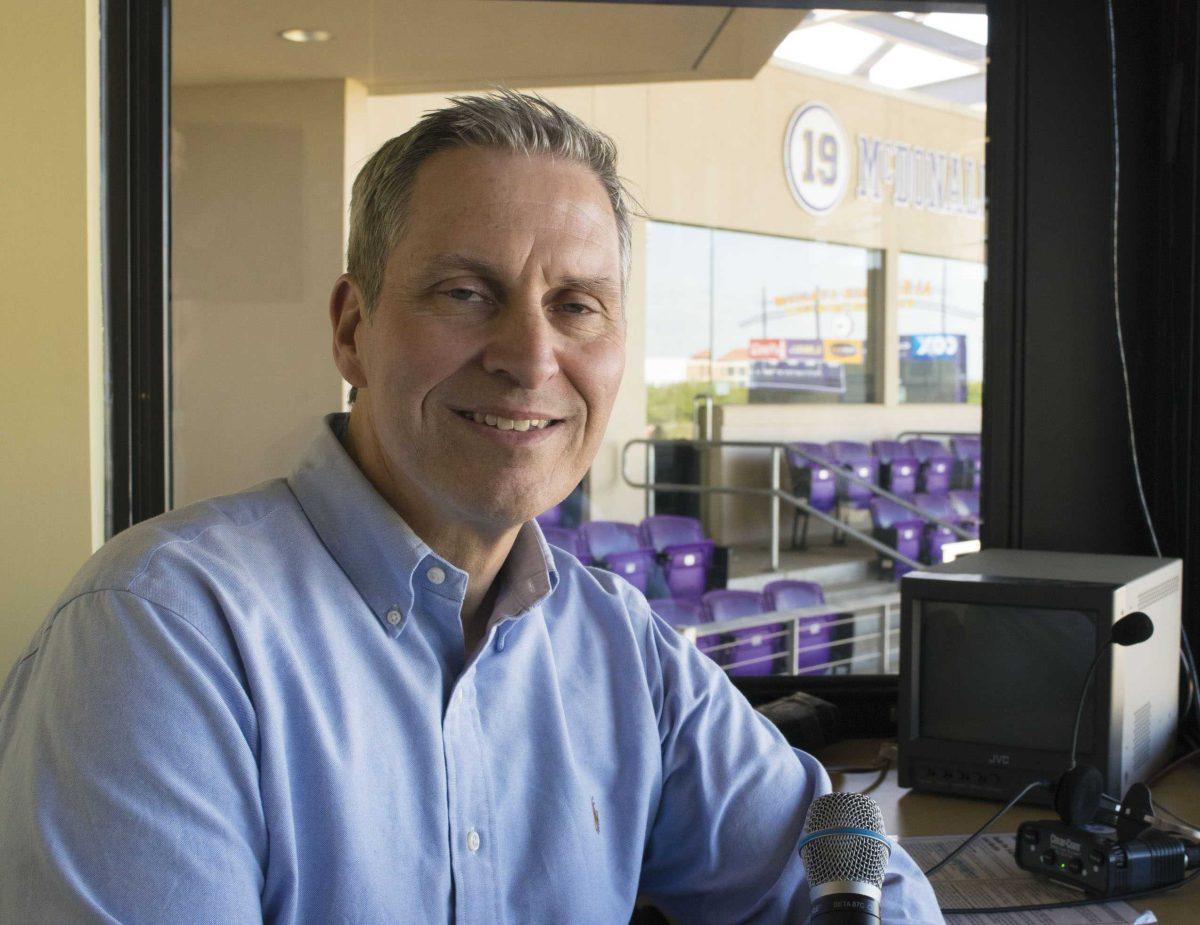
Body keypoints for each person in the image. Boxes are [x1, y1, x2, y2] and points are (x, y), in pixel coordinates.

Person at [0, 91, 942, 923]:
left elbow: (862, 885)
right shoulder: (160, 636)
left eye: (576, 305)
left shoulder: (623, 647)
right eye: (465, 292)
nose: (530, 358)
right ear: (352, 328)